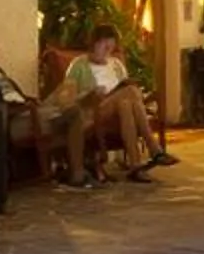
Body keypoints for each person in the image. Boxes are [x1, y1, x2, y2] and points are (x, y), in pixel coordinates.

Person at [0, 26, 92, 189]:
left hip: (30, 112)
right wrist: (21, 106)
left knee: (73, 96)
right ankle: (77, 175)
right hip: (14, 119)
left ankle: (75, 167)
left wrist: (31, 101)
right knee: (74, 113)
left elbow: (16, 94)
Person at [57, 25, 177, 181]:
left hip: (118, 109)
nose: (107, 51)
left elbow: (126, 88)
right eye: (104, 46)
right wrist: (90, 93)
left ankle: (136, 166)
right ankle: (154, 148)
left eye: (111, 47)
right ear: (94, 43)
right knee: (130, 92)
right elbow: (67, 97)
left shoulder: (116, 64)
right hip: (93, 111)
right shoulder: (79, 64)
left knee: (126, 103)